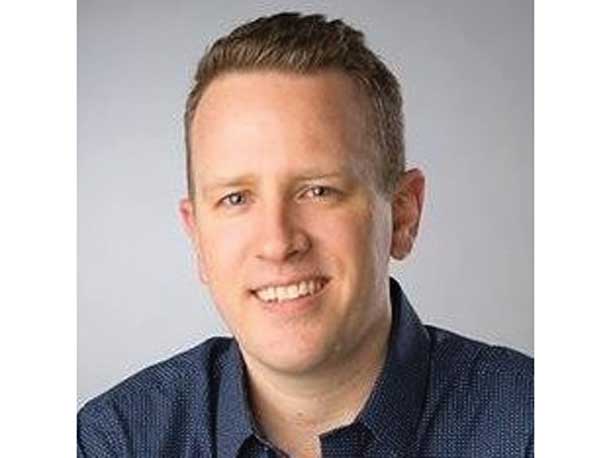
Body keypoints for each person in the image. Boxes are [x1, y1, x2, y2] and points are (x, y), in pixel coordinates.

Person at [77, 12, 533, 458]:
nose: (278, 243)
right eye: (236, 198)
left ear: (402, 215)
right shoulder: (113, 442)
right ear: (197, 237)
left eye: (318, 191)